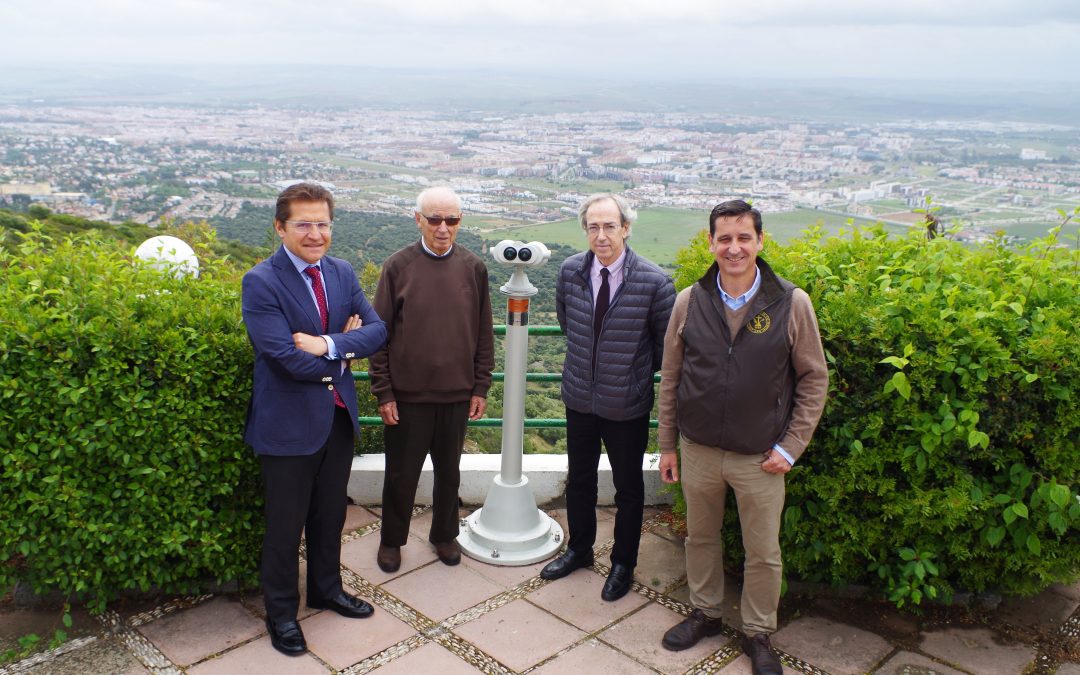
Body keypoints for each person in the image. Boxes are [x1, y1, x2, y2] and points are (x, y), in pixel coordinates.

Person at [657, 200, 828, 675]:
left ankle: (758, 632)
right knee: (702, 538)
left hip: (762, 457)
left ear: (760, 241)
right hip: (699, 450)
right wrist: (668, 445)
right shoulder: (689, 301)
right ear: (711, 242)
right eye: (724, 238)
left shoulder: (791, 302)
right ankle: (706, 614)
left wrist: (790, 447)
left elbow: (814, 379)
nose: (734, 248)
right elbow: (671, 377)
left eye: (743, 238)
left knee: (763, 551)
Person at [242, 182, 387, 657]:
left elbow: (378, 330)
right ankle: (281, 613)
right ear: (281, 227)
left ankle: (327, 590)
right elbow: (282, 356)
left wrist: (327, 346)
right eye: (303, 224)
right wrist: (346, 353)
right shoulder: (261, 281)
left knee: (330, 518)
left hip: (337, 419)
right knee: (284, 527)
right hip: (286, 426)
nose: (315, 233)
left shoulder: (342, 273)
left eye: (322, 223)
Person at [540, 193, 675, 601]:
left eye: (609, 226)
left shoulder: (654, 282)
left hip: (626, 406)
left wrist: (630, 379)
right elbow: (570, 324)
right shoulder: (570, 272)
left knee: (628, 488)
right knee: (578, 480)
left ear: (626, 228)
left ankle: (622, 563)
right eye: (593, 227)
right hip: (579, 397)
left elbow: (665, 347)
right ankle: (579, 550)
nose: (601, 236)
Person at [369, 186, 495, 573]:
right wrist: (384, 391)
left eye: (452, 220)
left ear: (460, 222)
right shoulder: (397, 266)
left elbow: (483, 331)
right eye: (435, 219)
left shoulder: (474, 268)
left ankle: (444, 535)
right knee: (401, 476)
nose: (443, 228)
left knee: (449, 475)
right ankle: (392, 540)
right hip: (407, 397)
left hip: (457, 395)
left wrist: (481, 385)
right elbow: (378, 333)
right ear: (418, 219)